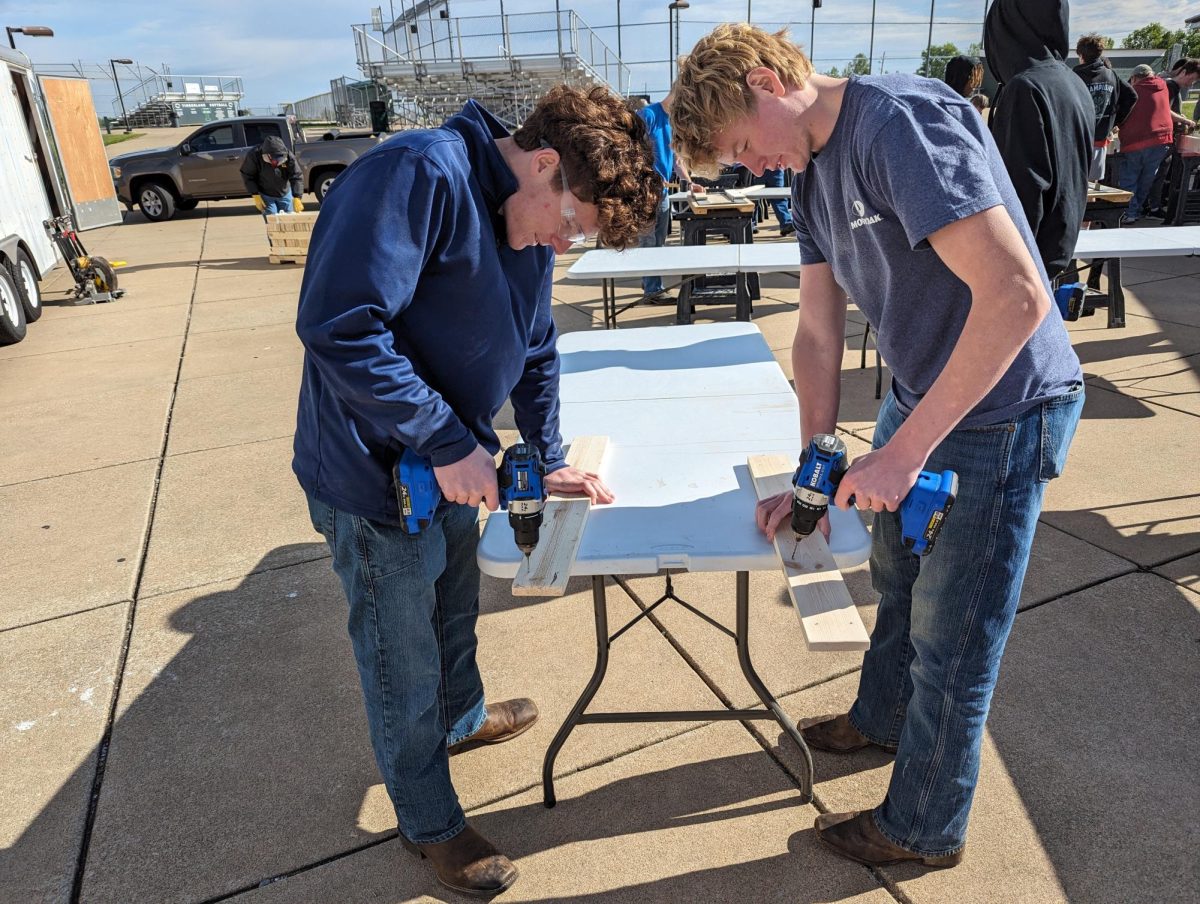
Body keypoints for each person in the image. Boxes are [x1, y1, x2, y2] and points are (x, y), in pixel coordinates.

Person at [671, 22, 1084, 869]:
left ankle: (923, 827)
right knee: (895, 576)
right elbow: (816, 336)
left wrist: (901, 456)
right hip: (921, 397)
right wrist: (814, 473)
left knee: (954, 634)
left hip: (1003, 408)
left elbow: (1012, 296)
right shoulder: (811, 175)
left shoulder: (898, 123)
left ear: (766, 79)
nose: (751, 167)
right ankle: (883, 718)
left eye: (745, 145)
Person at [292, 85, 659, 898]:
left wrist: (548, 453)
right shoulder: (416, 175)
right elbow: (339, 326)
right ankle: (427, 821)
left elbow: (534, 350)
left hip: (451, 467)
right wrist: (453, 441)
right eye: (572, 224)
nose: (565, 247)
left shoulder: (526, 222)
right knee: (402, 656)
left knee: (456, 606)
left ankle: (459, 721)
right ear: (544, 164)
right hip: (374, 478)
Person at [984, 0, 1093, 280]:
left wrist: (1001, 274)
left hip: (1022, 266)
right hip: (1054, 254)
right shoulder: (1074, 83)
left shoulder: (1025, 87)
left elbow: (1021, 191)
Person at [632, 95, 691, 304]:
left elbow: (676, 159)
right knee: (648, 242)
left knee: (659, 242)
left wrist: (690, 182)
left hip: (663, 193)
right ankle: (653, 291)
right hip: (644, 192)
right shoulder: (647, 115)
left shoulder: (672, 122)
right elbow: (631, 152)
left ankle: (649, 281)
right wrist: (650, 177)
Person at [1118, 64, 1193, 223]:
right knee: (1147, 179)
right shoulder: (1163, 87)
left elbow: (1122, 112)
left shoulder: (1133, 90)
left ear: (1135, 78)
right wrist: (1185, 120)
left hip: (1135, 140)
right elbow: (1167, 111)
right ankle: (1136, 211)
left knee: (1129, 177)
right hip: (1161, 140)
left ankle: (1129, 212)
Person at [1072, 35, 1137, 181]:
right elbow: (1132, 96)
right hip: (1099, 138)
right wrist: (1114, 122)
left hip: (1076, 141)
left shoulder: (1074, 76)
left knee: (1074, 183)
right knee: (1090, 186)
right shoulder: (1111, 75)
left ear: (1081, 55)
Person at [240, 135, 305, 214]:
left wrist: (297, 196)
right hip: (265, 193)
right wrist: (255, 194)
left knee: (289, 217)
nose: (276, 163)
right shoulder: (254, 155)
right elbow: (247, 174)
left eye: (279, 161)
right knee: (271, 216)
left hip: (284, 192)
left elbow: (297, 175)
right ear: (267, 155)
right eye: (274, 160)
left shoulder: (288, 155)